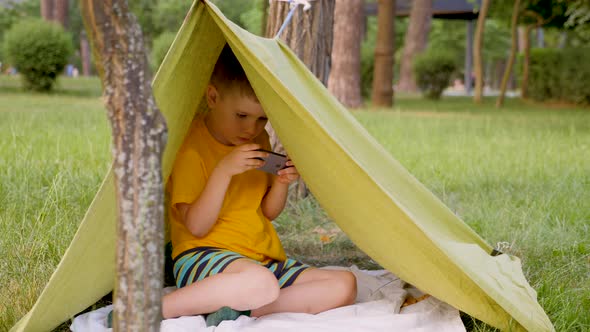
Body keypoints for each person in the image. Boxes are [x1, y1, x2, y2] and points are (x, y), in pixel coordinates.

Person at [162, 44, 357, 326]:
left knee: (344, 285)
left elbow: (267, 212)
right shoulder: (190, 148)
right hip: (204, 256)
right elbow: (196, 226)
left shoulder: (258, 141)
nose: (251, 129)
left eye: (261, 118)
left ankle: (241, 310)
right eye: (241, 116)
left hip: (260, 259)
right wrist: (224, 171)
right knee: (260, 283)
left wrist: (281, 183)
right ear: (213, 97)